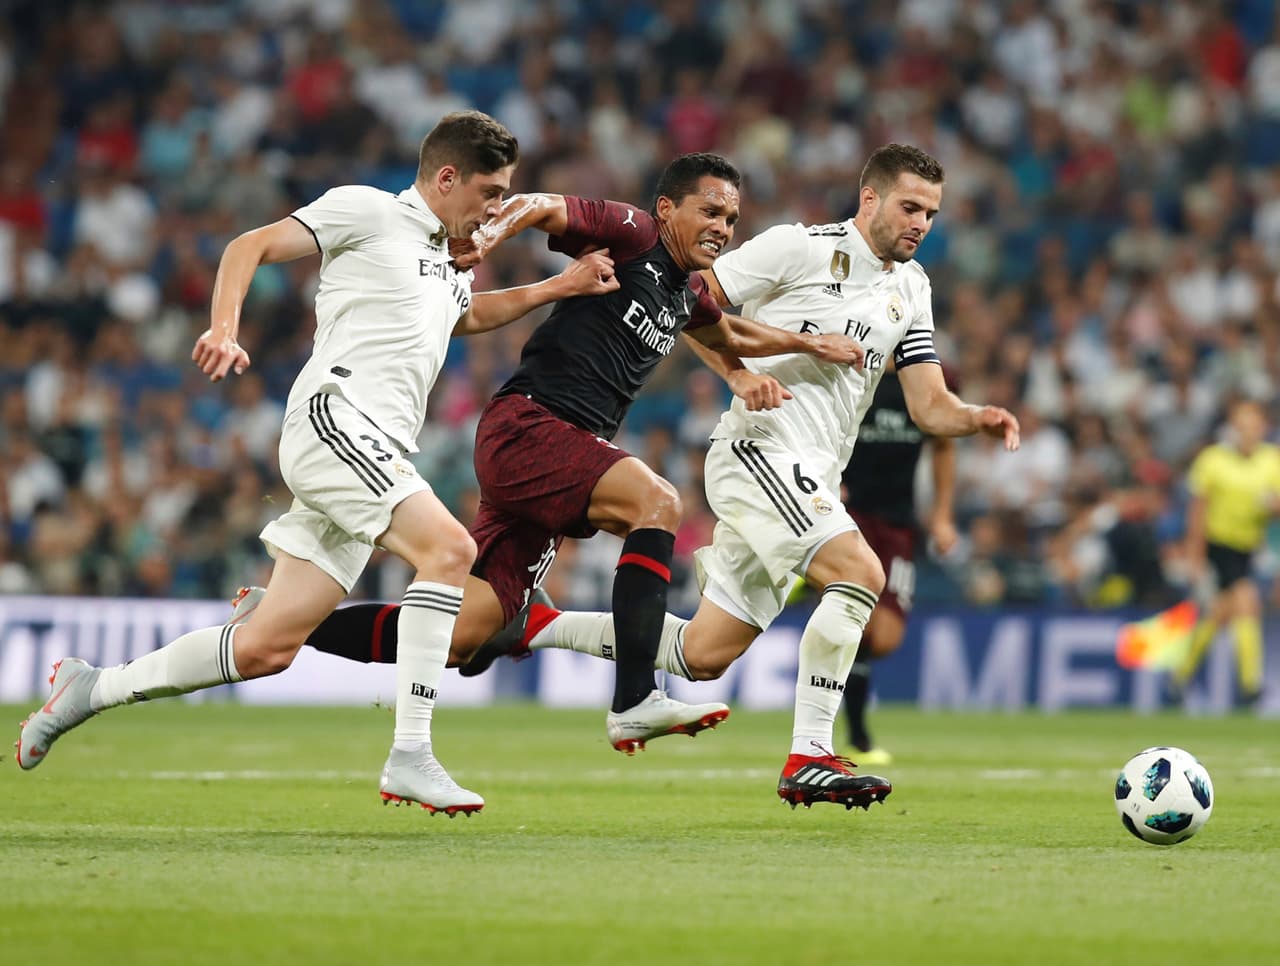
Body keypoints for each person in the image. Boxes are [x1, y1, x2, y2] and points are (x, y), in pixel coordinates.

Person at [297, 144, 1021, 810]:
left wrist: (975, 417)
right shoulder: (790, 246)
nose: (921, 222)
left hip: (802, 471)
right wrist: (741, 377)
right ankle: (803, 752)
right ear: (870, 198)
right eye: (909, 206)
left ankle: (493, 626)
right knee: (848, 569)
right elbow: (678, 280)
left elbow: (920, 401)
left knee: (693, 654)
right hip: (755, 451)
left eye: (931, 211)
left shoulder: (912, 289)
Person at [15, 111, 621, 816]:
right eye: (489, 192)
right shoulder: (367, 210)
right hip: (335, 419)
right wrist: (223, 326)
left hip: (378, 449)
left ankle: (91, 689)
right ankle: (411, 755)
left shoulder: (447, 259)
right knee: (449, 548)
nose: (497, 209)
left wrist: (554, 289)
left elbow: (462, 316)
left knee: (268, 647)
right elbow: (249, 245)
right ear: (446, 177)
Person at [834, 359, 958, 766]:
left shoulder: (923, 380)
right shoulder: (851, 372)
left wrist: (941, 515)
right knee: (860, 625)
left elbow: (942, 445)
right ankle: (858, 737)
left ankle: (809, 585)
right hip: (849, 516)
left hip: (899, 523)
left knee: (884, 637)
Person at [1169, 398, 1279, 707]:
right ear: (1233, 427)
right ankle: (1250, 684)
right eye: (1242, 425)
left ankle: (1180, 675)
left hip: (1248, 548)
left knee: (1219, 613)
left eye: (1254, 425)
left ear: (1263, 428)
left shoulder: (1272, 461)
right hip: (1218, 546)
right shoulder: (1213, 460)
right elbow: (1197, 510)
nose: (1248, 431)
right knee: (1248, 602)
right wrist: (1195, 554)